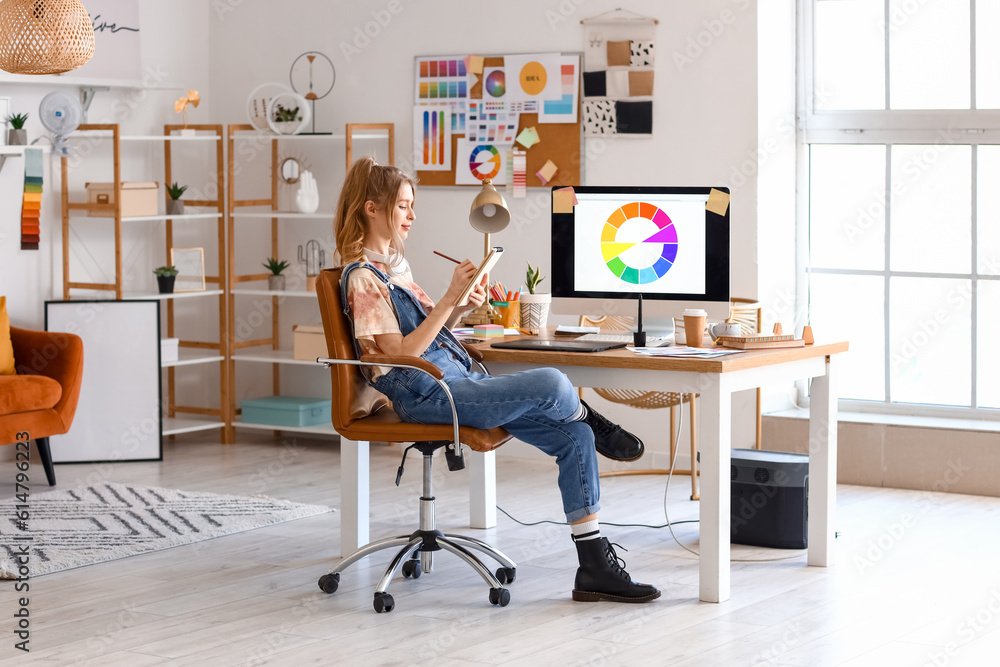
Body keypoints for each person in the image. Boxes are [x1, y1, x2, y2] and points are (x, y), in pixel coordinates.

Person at [333, 157, 659, 603]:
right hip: (429, 395)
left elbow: (428, 334)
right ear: (373, 209)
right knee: (551, 382)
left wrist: (461, 305)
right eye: (404, 206)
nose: (412, 216)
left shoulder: (395, 270)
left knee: (575, 437)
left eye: (412, 206)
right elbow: (400, 356)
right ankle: (596, 418)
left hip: (454, 380)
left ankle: (594, 567)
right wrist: (449, 296)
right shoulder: (364, 280)